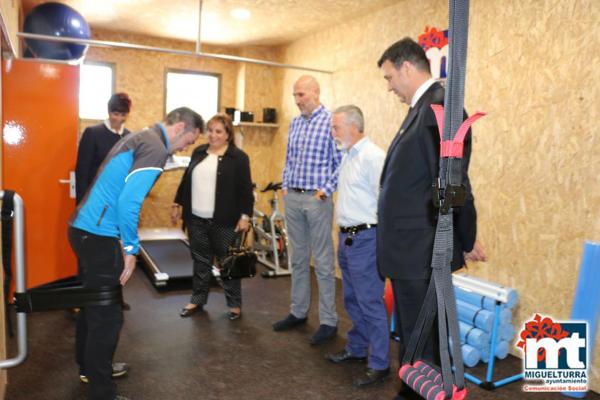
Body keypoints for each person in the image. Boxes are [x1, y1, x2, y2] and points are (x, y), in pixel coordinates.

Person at [376, 38, 487, 399]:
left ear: (407, 67)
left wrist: (465, 238)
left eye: (390, 76)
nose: (389, 85)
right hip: (409, 248)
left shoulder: (439, 106)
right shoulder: (421, 109)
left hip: (421, 249)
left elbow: (454, 181)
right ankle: (411, 390)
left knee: (423, 337)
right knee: (412, 332)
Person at [69, 107, 204, 400]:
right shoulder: (155, 147)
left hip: (85, 229)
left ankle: (90, 369)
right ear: (180, 127)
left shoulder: (143, 136)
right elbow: (129, 202)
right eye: (189, 140)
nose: (186, 147)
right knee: (108, 316)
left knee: (93, 306)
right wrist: (130, 248)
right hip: (98, 235)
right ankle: (102, 391)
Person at [272, 75, 342, 345]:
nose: (297, 100)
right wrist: (286, 186)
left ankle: (328, 321)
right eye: (295, 96)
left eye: (301, 95)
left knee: (323, 264)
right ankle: (298, 312)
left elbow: (339, 162)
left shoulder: (331, 121)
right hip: (294, 198)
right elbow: (289, 158)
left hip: (317, 200)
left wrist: (325, 190)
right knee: (298, 259)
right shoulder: (295, 123)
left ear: (315, 92)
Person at [324, 105, 390, 387]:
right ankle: (357, 348)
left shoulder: (374, 157)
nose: (333, 132)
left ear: (354, 126)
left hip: (366, 239)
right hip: (347, 237)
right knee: (352, 298)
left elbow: (386, 202)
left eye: (336, 127)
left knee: (370, 301)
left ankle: (380, 363)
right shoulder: (347, 155)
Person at [172, 114, 253, 320]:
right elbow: (185, 179)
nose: (213, 135)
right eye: (210, 130)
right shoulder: (199, 152)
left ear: (228, 135)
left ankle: (234, 305)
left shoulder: (239, 158)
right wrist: (177, 202)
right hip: (196, 219)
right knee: (200, 262)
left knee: (228, 264)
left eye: (218, 131)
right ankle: (197, 300)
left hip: (225, 222)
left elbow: (245, 191)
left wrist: (245, 216)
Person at [75, 92, 132, 204]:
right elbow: (82, 171)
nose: (119, 119)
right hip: (94, 197)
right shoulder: (93, 133)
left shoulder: (128, 137)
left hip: (116, 198)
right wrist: (81, 203)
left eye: (123, 115)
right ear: (109, 112)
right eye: (115, 114)